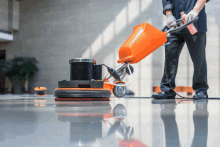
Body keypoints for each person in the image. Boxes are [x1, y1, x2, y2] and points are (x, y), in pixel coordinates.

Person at [152, 0, 210, 99]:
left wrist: (195, 11)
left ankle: (201, 90)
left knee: (199, 59)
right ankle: (167, 90)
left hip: (194, 22)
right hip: (175, 23)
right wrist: (169, 15)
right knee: (170, 56)